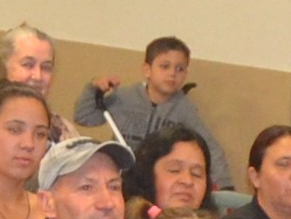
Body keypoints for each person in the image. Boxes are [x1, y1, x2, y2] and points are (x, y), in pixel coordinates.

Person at [77, 36, 207, 151]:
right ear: (147, 70)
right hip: (122, 168)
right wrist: (93, 88)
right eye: (164, 66)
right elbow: (84, 117)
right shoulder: (124, 97)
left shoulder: (186, 109)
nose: (172, 73)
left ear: (185, 74)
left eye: (180, 69)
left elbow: (209, 147)